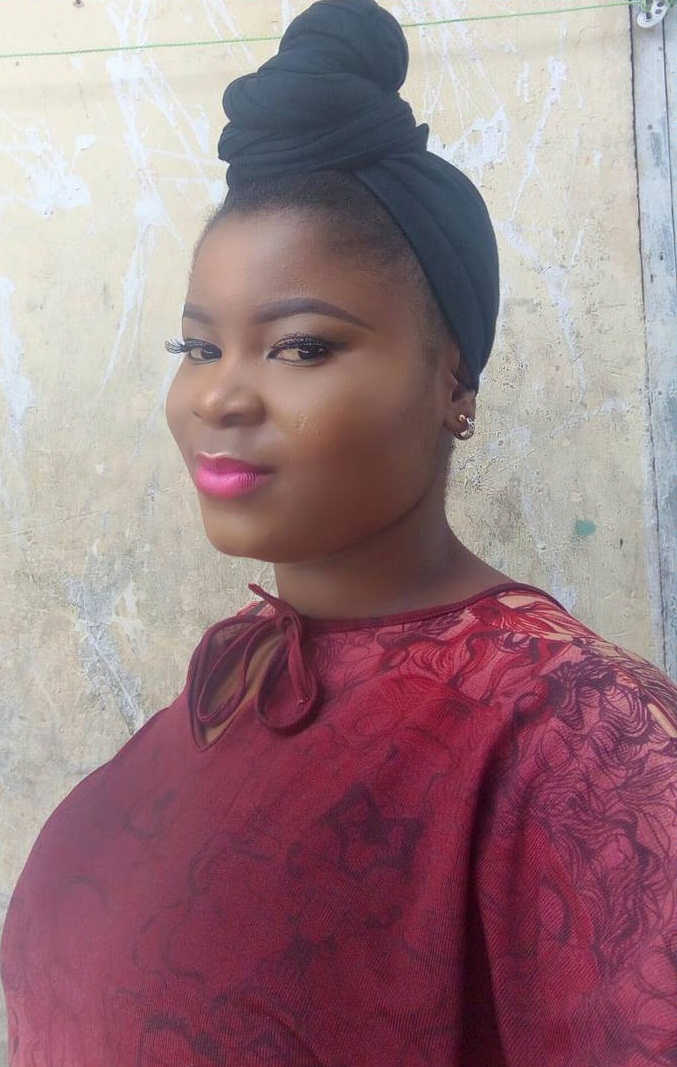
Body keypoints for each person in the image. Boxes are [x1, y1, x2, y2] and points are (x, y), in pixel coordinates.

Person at [1, 1, 676, 1064]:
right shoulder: (234, 682)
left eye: (301, 347)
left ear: (451, 378)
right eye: (197, 346)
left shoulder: (575, 737)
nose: (218, 395)